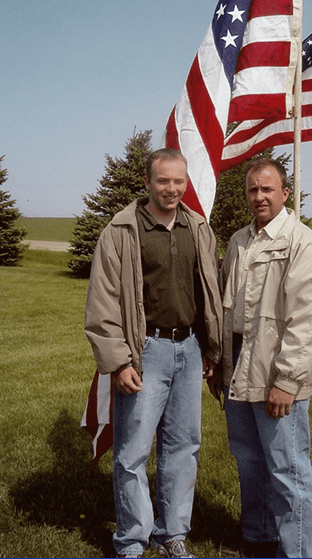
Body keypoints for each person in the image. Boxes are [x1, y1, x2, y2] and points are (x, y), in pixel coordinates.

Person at [84, 148, 222, 559]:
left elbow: (209, 293)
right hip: (146, 352)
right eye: (163, 181)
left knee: (183, 446)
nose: (172, 189)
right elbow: (102, 303)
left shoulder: (197, 227)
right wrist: (119, 360)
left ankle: (172, 534)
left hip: (190, 349)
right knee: (133, 453)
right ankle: (131, 541)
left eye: (179, 181)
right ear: (146, 183)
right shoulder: (121, 231)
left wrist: (211, 346)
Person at [210, 158, 312, 559]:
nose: (259, 196)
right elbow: (226, 311)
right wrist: (220, 365)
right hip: (237, 372)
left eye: (268, 189)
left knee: (288, 469)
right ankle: (258, 538)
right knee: (249, 461)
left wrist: (287, 381)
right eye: (252, 190)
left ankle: (294, 551)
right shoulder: (239, 242)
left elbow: (308, 320)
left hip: (275, 375)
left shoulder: (301, 243)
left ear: (284, 192)